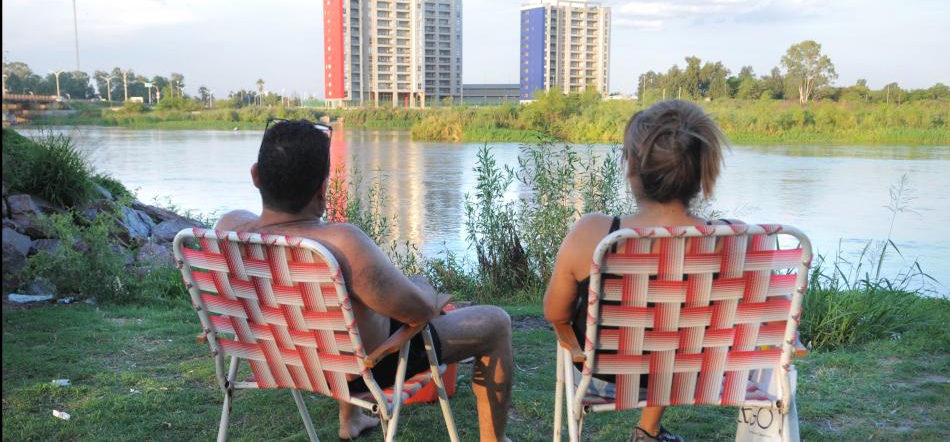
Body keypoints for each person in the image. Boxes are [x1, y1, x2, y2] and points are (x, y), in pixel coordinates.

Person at [216, 119, 513, 442]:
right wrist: (422, 283)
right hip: (361, 371)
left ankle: (352, 419)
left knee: (347, 310)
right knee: (496, 322)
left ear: (256, 176)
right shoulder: (342, 244)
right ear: (322, 190)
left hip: (277, 358)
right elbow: (421, 311)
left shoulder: (229, 229)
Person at [544, 100, 729, 442]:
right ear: (704, 173)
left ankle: (648, 429)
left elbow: (555, 313)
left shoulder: (593, 233)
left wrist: (565, 326)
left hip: (603, 376)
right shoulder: (730, 239)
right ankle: (649, 429)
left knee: (660, 336)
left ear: (631, 168)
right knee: (671, 333)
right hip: (695, 374)